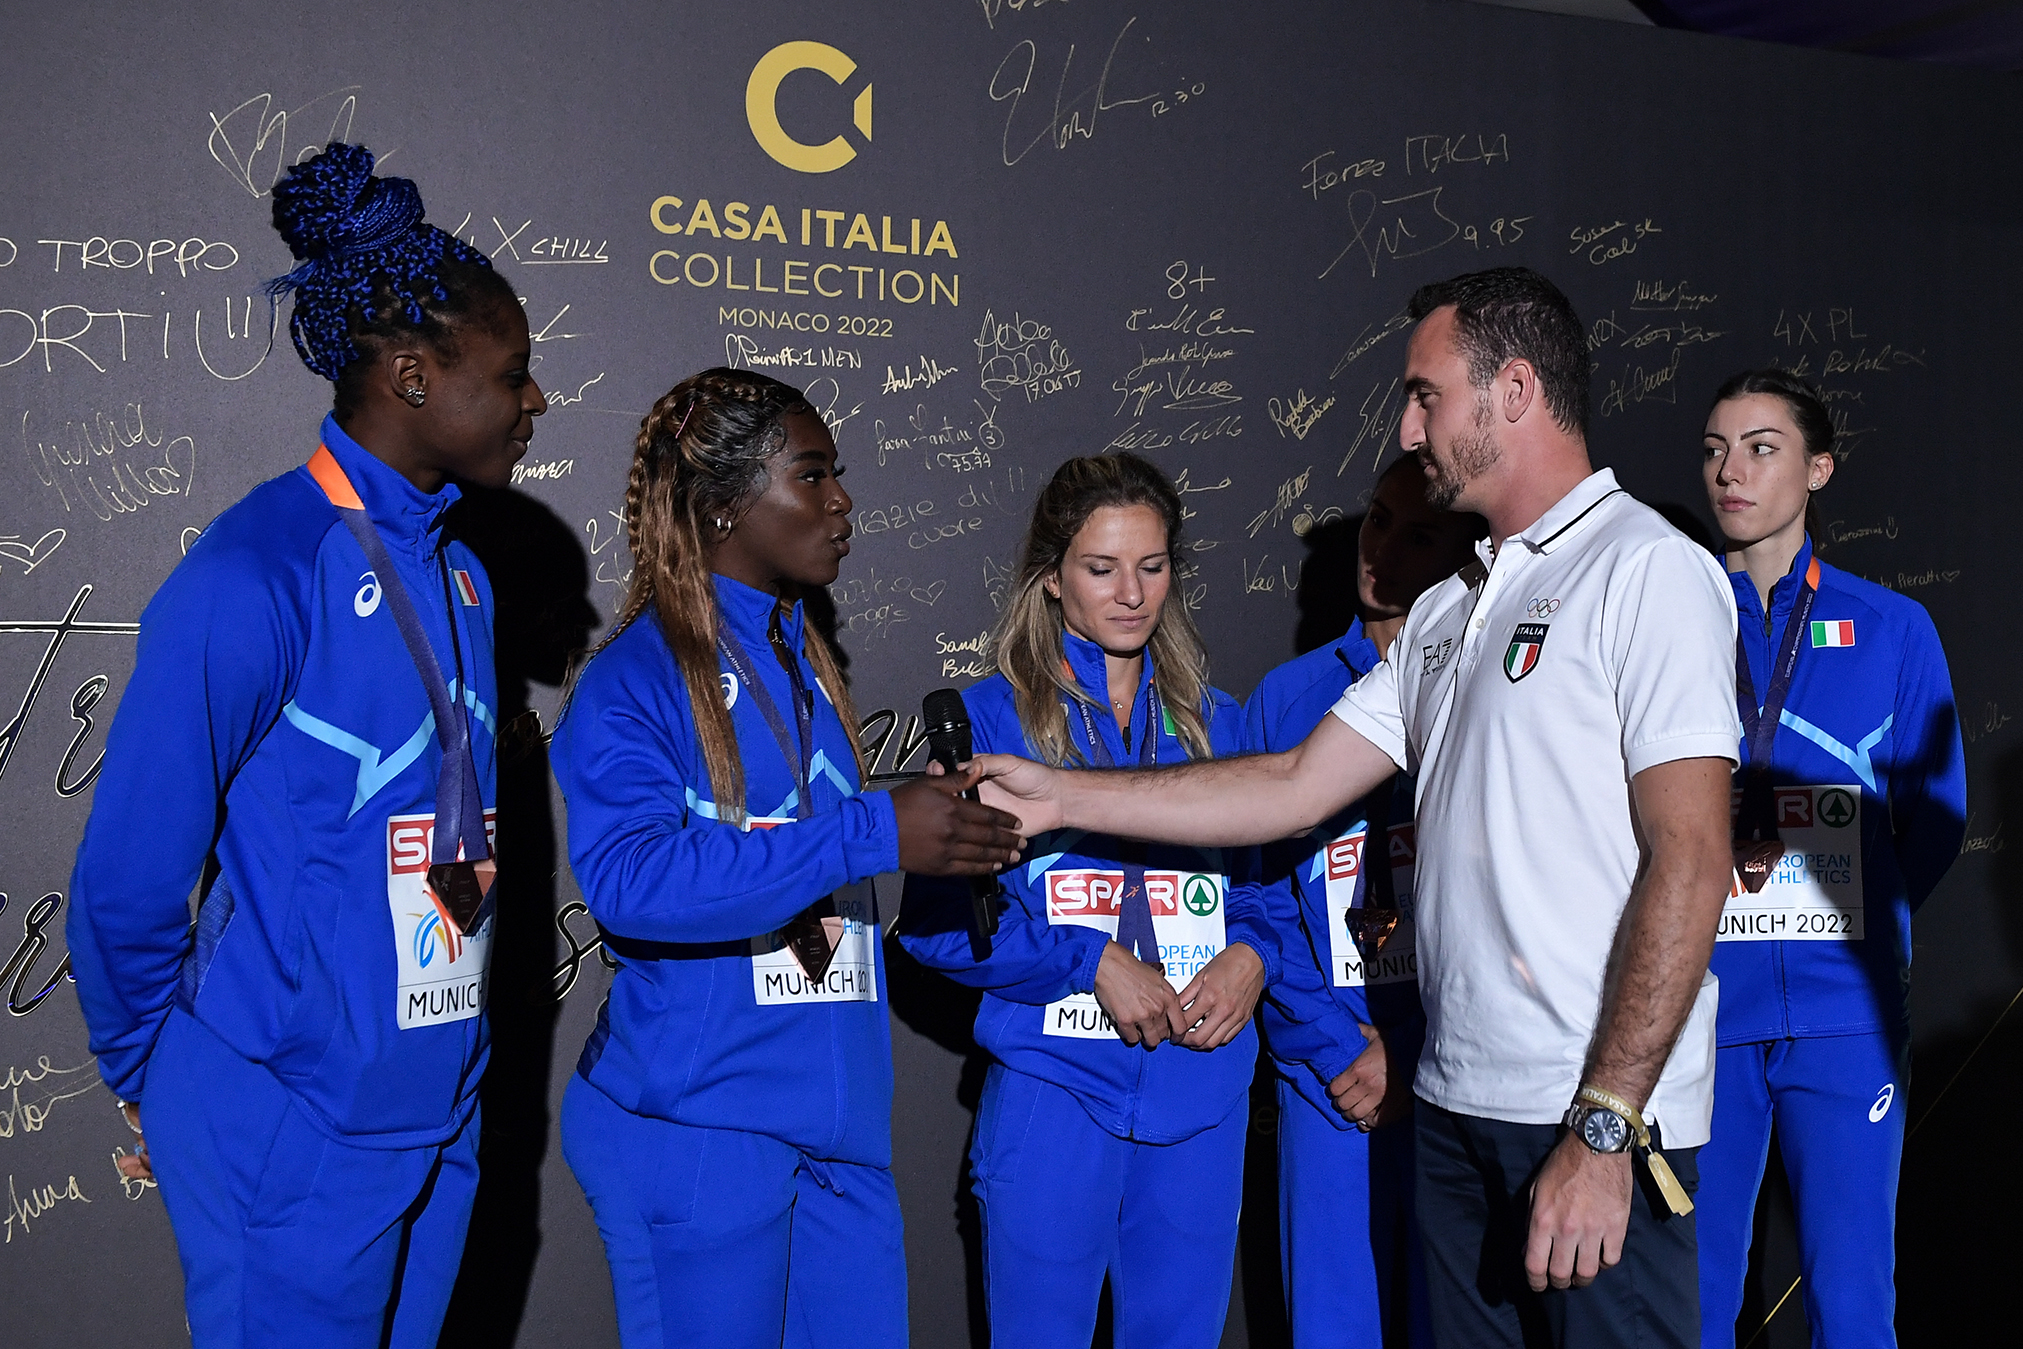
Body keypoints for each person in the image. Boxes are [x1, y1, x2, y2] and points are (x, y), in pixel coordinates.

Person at [973, 267, 1742, 1348]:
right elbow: (1288, 784)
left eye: (1426, 395)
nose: (1407, 427)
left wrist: (1607, 1124)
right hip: (1456, 1109)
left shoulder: (1646, 569)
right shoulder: (1449, 609)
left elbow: (1691, 858)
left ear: (1514, 390)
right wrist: (1058, 789)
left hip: (1584, 1118)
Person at [65, 142, 544, 1346]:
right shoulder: (254, 572)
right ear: (413, 376)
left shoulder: (465, 573)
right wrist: (163, 1077)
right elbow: (127, 877)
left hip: (438, 1111)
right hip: (289, 1121)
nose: (535, 401)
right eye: (511, 375)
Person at [548, 369, 1021, 1349]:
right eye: (812, 475)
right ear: (725, 504)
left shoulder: (803, 658)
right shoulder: (634, 678)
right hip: (700, 1128)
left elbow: (814, 869)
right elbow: (631, 882)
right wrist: (874, 830)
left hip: (838, 1136)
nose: (841, 500)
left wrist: (938, 842)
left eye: (835, 473)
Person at [898, 452, 1277, 1349]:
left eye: (1152, 566)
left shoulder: (1217, 720)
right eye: (1101, 568)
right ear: (1051, 577)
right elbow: (938, 925)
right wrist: (1089, 960)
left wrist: (1251, 954)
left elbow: (1269, 889)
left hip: (1199, 1092)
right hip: (1053, 1094)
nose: (1132, 595)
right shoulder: (990, 722)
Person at [1693, 370, 1964, 1348]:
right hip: (1698, 1010)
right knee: (1693, 1303)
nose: (1730, 471)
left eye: (1760, 447)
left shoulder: (1891, 627)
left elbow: (1935, 818)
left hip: (1843, 1016)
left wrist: (1855, 917)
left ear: (1818, 468)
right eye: (1714, 450)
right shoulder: (1669, 616)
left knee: (1850, 1305)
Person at [1245, 452, 1483, 1347]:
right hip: (1333, 1076)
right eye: (1377, 520)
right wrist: (1337, 1042)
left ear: (1466, 554)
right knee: (1335, 1324)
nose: (1380, 549)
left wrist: (1418, 1047)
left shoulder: (1493, 685)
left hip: (1462, 1067)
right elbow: (1251, 895)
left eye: (1416, 535)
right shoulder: (1286, 698)